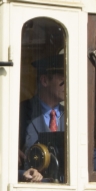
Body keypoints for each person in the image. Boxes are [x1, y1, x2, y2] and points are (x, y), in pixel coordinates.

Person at [20, 53, 65, 182]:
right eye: (62, 80)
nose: (67, 85)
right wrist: (23, 173)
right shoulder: (20, 112)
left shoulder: (72, 116)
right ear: (44, 81)